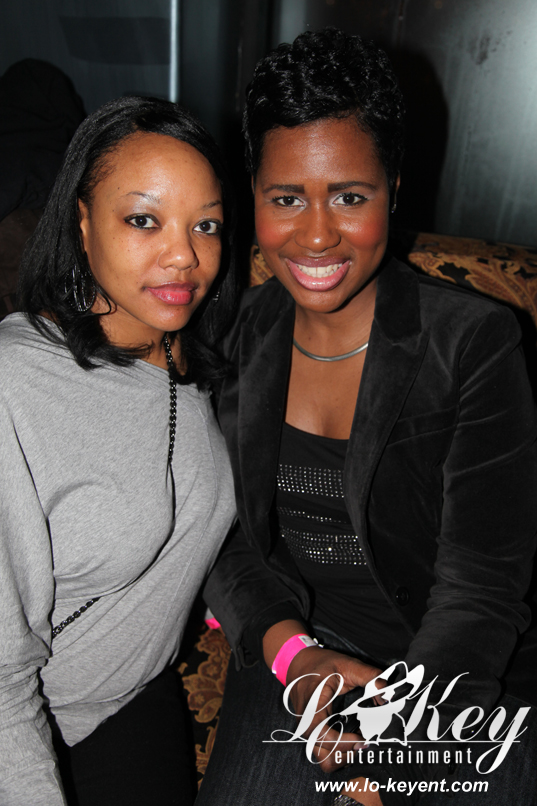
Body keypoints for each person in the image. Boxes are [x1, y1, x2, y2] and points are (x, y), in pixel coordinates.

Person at [198, 29, 537, 806]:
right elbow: (220, 537)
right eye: (286, 198)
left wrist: (406, 727)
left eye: (349, 196)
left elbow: (482, 586)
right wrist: (294, 659)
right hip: (309, 647)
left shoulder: (475, 343)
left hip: (459, 669)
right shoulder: (228, 337)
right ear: (253, 195)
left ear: (392, 188)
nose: (316, 234)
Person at [0, 96, 238, 806]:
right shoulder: (16, 382)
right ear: (81, 222)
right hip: (26, 715)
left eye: (206, 225)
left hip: (133, 699)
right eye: (143, 220)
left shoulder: (205, 356)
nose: (184, 255)